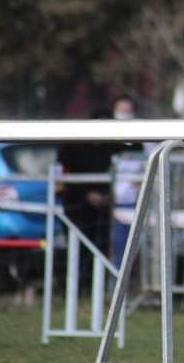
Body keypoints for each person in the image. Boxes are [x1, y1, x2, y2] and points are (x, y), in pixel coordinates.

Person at [58, 95, 139, 280]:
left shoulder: (113, 146)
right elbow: (65, 176)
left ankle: (97, 285)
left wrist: (108, 195)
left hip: (103, 208)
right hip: (76, 207)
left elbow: (131, 158)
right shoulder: (74, 146)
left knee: (100, 249)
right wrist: (87, 194)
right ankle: (75, 286)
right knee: (77, 249)